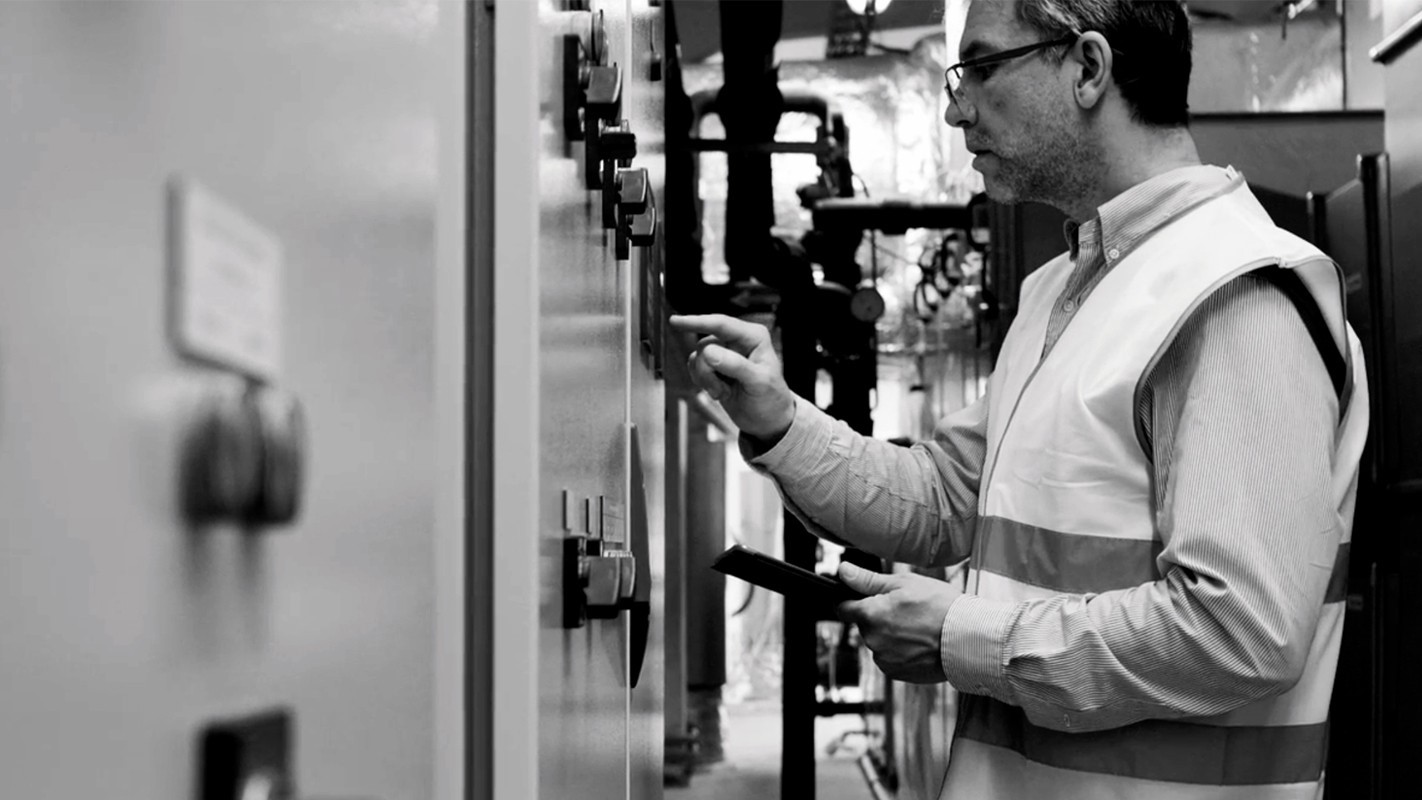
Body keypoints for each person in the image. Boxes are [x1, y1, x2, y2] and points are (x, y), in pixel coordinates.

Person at [669, 0, 1370, 797]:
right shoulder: (1060, 293)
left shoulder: (1230, 293)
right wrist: (778, 419)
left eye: (982, 66)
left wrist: (960, 638)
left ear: (1088, 68)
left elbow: (1239, 630)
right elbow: (939, 500)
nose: (954, 105)